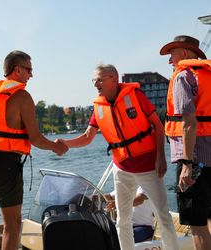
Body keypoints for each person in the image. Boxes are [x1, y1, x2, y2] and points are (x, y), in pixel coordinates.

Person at [56, 63, 179, 250]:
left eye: (99, 79)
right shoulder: (98, 107)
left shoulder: (135, 96)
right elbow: (87, 137)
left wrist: (160, 157)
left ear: (113, 78)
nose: (95, 84)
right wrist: (66, 144)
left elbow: (158, 126)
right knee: (123, 219)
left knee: (163, 216)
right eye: (94, 80)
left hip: (148, 165)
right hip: (121, 167)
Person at [0, 50, 68, 250]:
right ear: (17, 69)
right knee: (12, 225)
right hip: (5, 164)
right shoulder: (22, 96)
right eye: (29, 69)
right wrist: (56, 147)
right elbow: (35, 138)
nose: (31, 75)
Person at [160, 35, 211, 249]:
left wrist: (187, 164)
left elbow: (189, 122)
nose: (170, 61)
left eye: (172, 55)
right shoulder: (207, 76)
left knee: (197, 224)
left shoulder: (183, 76)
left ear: (183, 53)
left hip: (194, 157)